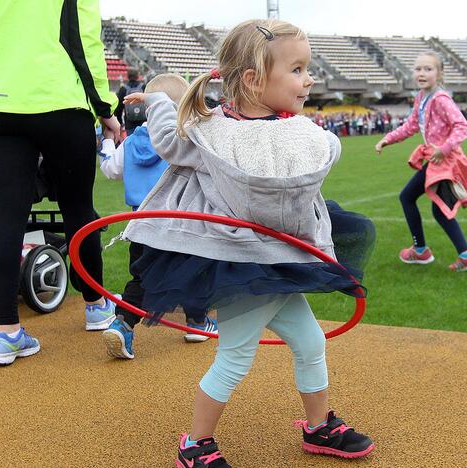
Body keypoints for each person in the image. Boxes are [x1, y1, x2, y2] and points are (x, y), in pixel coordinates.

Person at [121, 19, 374, 465]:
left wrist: (163, 101)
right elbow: (166, 141)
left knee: (311, 342)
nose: (309, 79)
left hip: (281, 259)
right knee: (236, 355)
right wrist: (162, 100)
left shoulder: (294, 129)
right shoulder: (212, 131)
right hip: (238, 262)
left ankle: (318, 428)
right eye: (297, 69)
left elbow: (323, 152)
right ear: (255, 80)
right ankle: (195, 445)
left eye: (307, 68)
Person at [0, 0, 120, 366]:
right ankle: (95, 306)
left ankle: (6, 333)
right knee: (77, 209)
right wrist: (105, 108)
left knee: (8, 214)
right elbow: (86, 42)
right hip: (60, 101)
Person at [98, 74, 218, 360]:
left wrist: (106, 143)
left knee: (141, 276)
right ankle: (197, 323)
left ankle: (123, 324)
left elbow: (111, 171)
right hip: (180, 219)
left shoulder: (130, 144)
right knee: (196, 269)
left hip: (141, 223)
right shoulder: (182, 139)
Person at [375, 51, 467, 272]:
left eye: (428, 69)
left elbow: (462, 126)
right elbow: (411, 126)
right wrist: (388, 139)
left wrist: (444, 149)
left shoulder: (441, 99)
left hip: (444, 161)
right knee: (435, 207)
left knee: (408, 197)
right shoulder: (421, 98)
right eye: (418, 69)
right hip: (436, 161)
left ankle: (422, 251)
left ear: (439, 73)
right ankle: (464, 256)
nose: (422, 73)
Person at [115, 68, 146, 136]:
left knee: (132, 142)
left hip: (129, 122)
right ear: (137, 76)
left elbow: (118, 109)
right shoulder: (143, 87)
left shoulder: (123, 89)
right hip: (143, 121)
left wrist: (120, 122)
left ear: (128, 76)